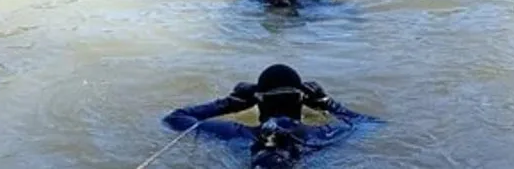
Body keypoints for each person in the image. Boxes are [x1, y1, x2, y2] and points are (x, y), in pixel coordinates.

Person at [162, 63, 380, 168]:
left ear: (259, 102)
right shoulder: (322, 134)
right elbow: (372, 125)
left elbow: (175, 118)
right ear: (301, 102)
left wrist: (228, 104)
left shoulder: (238, 133)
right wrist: (329, 104)